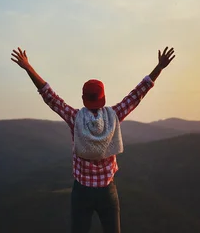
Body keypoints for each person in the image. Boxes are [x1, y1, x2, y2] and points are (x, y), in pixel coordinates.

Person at [11, 46, 176, 233]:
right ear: (103, 98)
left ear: (83, 98)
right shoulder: (114, 116)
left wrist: (28, 67)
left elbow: (50, 96)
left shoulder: (75, 119)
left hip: (81, 192)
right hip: (107, 191)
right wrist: (159, 68)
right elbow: (137, 95)